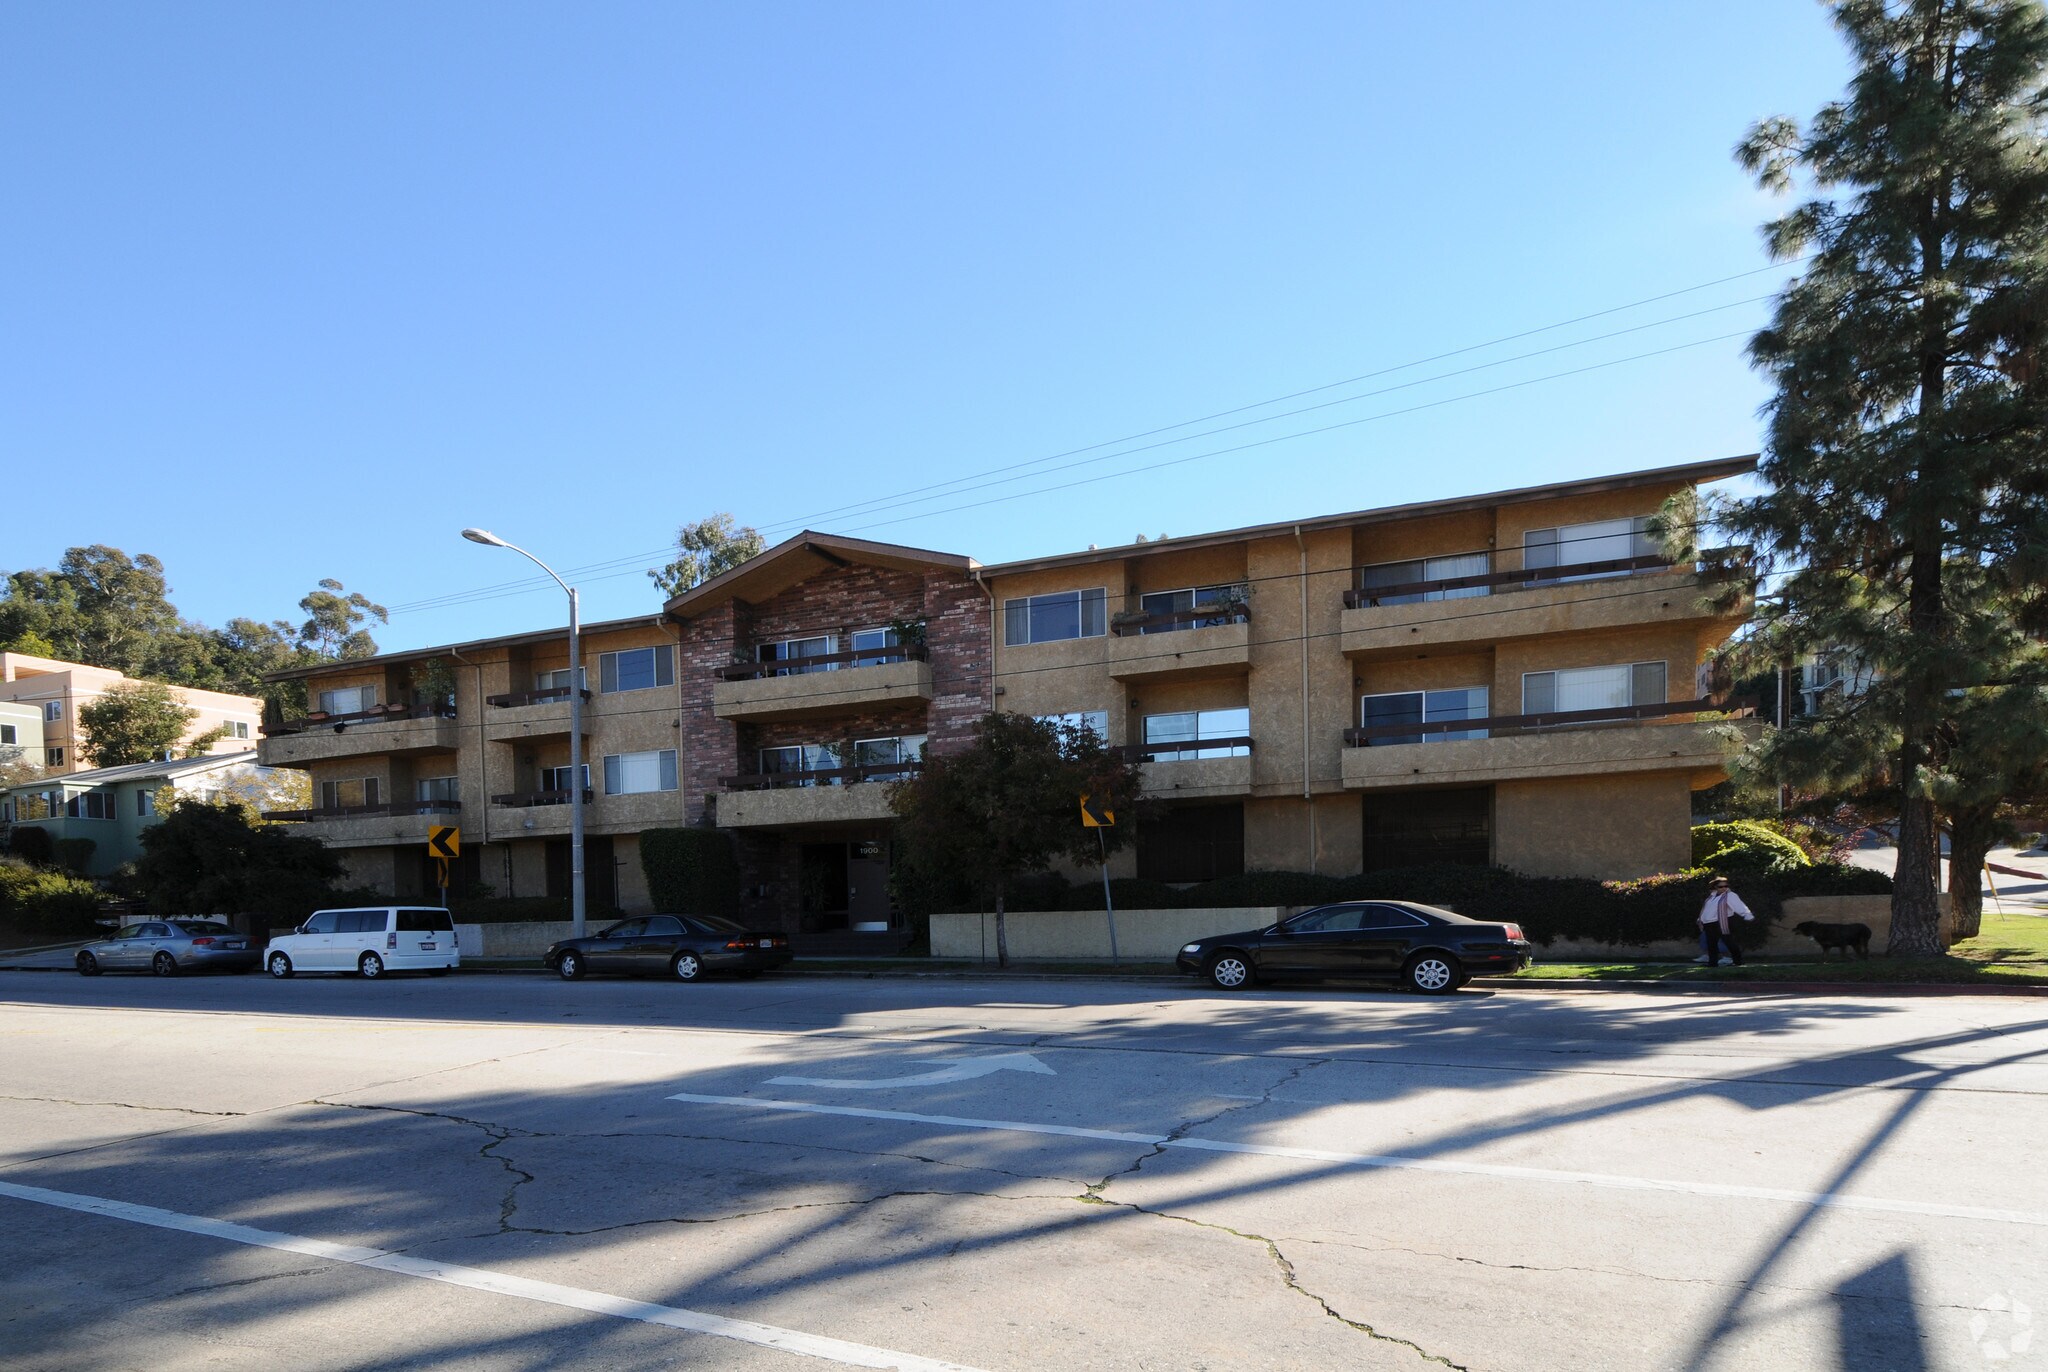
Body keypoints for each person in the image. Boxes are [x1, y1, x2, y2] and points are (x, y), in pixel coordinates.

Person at [1698, 875, 1755, 967]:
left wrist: (1747, 914)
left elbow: (1739, 905)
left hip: (1722, 922)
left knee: (1729, 942)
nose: (1724, 888)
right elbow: (1707, 909)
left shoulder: (1730, 895)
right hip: (1709, 924)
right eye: (1721, 886)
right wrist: (1701, 919)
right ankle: (1712, 963)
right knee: (1711, 944)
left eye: (1726, 886)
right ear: (1715, 887)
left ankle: (1738, 961)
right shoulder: (1711, 897)